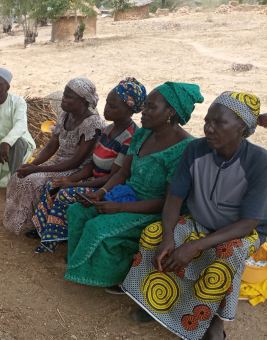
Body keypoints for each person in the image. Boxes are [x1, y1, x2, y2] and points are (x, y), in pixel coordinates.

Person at [122, 92, 267, 340]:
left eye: (219, 123)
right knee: (154, 234)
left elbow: (247, 224)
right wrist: (169, 236)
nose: (209, 129)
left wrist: (194, 246)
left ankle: (213, 320)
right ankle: (155, 298)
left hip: (239, 230)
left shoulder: (259, 161)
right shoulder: (194, 150)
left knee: (228, 253)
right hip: (199, 221)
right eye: (207, 121)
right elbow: (174, 200)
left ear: (241, 126)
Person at [64, 82, 203, 291]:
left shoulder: (184, 150)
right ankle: (81, 264)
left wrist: (119, 208)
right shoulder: (142, 134)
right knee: (78, 211)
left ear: (170, 112)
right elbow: (123, 173)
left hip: (154, 210)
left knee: (98, 226)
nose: (143, 112)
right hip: (125, 195)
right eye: (144, 106)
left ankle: (116, 276)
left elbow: (168, 202)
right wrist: (101, 193)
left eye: (150, 107)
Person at [30, 78, 146, 253]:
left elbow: (115, 176)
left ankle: (58, 236)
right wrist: (68, 179)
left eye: (113, 107)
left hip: (109, 187)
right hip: (95, 179)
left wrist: (75, 184)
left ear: (129, 110)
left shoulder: (129, 137)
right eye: (107, 103)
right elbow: (92, 164)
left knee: (64, 194)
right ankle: (47, 231)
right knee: (53, 185)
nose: (106, 108)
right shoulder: (109, 130)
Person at [2, 77, 105, 235]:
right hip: (59, 164)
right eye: (64, 94)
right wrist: (31, 165)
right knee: (18, 177)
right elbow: (51, 146)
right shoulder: (64, 115)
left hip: (76, 170)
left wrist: (36, 170)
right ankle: (18, 219)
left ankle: (40, 226)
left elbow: (76, 161)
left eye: (69, 96)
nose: (63, 98)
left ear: (83, 101)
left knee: (34, 181)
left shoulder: (91, 124)